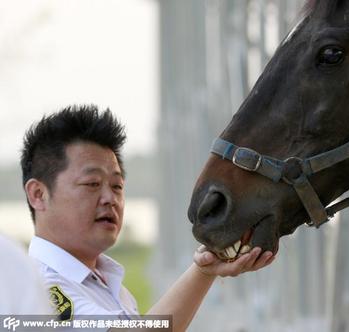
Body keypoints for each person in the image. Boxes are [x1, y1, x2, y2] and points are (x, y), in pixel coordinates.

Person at [21, 105, 274, 330]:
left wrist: (205, 268)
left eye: (117, 186)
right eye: (92, 183)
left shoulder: (104, 281)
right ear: (38, 194)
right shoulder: (38, 289)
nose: (110, 198)